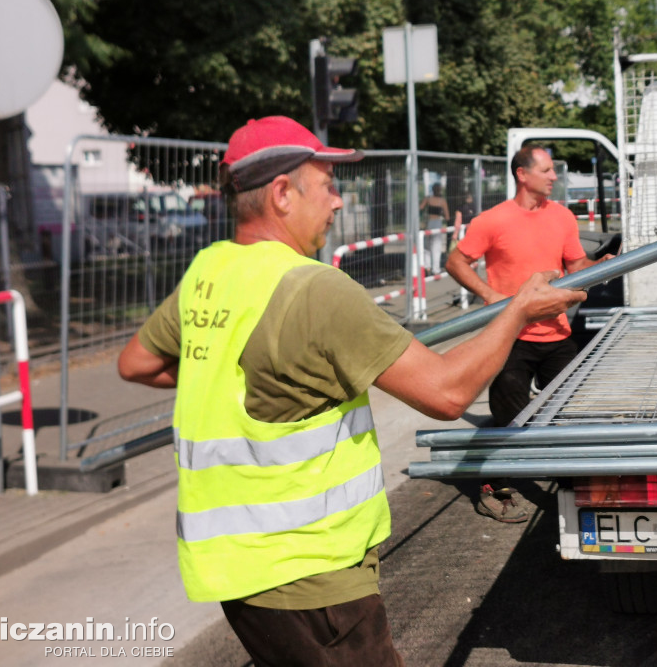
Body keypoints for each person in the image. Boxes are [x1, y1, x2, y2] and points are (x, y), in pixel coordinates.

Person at [116, 116, 585, 667]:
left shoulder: (209, 270)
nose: (338, 202)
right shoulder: (316, 289)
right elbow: (448, 392)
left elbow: (139, 362)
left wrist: (251, 365)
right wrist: (519, 311)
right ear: (282, 194)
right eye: (328, 185)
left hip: (234, 573)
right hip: (312, 575)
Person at [445, 145, 613, 523]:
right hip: (511, 337)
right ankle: (495, 490)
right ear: (523, 174)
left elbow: (575, 266)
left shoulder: (563, 217)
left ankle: (577, 486)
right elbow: (456, 261)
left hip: (557, 333)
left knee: (568, 413)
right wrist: (491, 297)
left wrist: (599, 265)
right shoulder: (492, 220)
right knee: (507, 418)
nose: (554, 176)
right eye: (547, 170)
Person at [419, 182, 449, 273]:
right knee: (436, 246)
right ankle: (435, 269)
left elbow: (420, 208)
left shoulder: (428, 199)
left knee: (427, 246)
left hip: (429, 222)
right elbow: (447, 216)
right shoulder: (442, 201)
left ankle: (427, 266)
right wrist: (442, 214)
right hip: (437, 223)